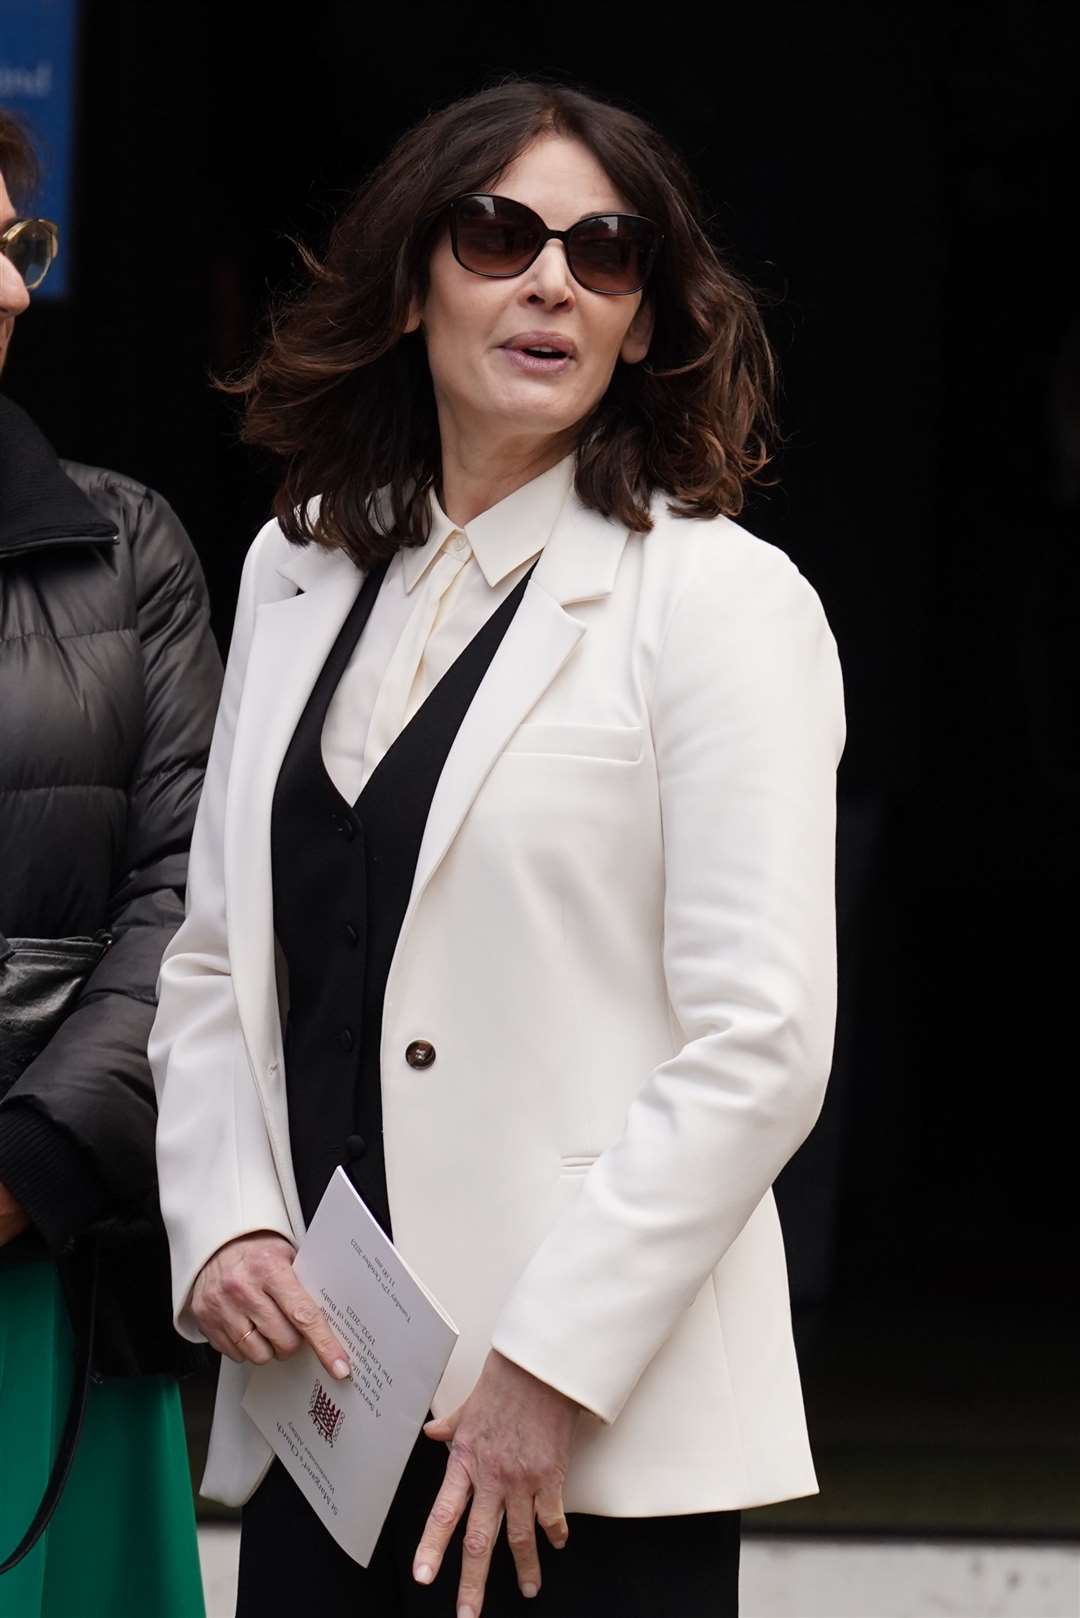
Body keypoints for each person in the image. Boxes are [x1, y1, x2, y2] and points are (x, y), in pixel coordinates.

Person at [149, 80, 845, 1618]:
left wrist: (551, 1370)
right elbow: (212, 959)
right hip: (322, 1416)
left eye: (604, 254)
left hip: (581, 1446)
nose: (550, 280)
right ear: (412, 284)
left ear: (647, 322)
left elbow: (765, 1041)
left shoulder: (724, 604)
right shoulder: (295, 563)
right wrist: (226, 1219)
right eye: (497, 234)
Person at [0, 109, 218, 1618]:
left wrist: (31, 1163)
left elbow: (191, 896)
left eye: (17, 244)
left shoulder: (126, 543)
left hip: (49, 1269)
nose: (14, 289)